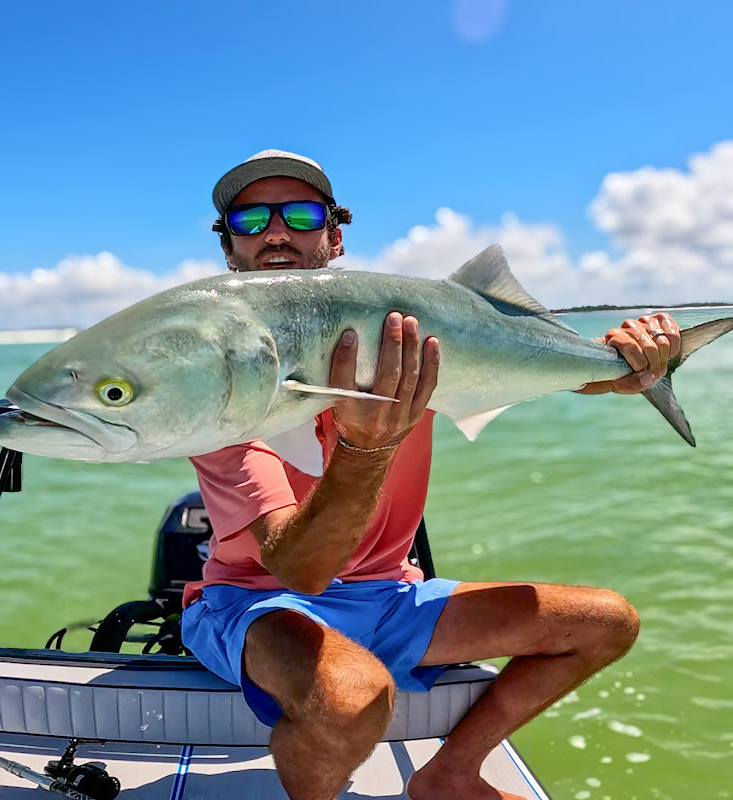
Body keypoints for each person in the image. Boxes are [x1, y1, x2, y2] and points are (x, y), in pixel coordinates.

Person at [181, 150, 681, 800]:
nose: (276, 231)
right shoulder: (223, 385)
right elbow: (299, 571)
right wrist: (363, 448)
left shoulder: (404, 334)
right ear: (229, 248)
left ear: (335, 236)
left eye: (300, 214)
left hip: (391, 595)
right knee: (351, 700)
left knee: (605, 622)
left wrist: (625, 365)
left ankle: (450, 774)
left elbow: (516, 362)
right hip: (260, 604)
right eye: (251, 220)